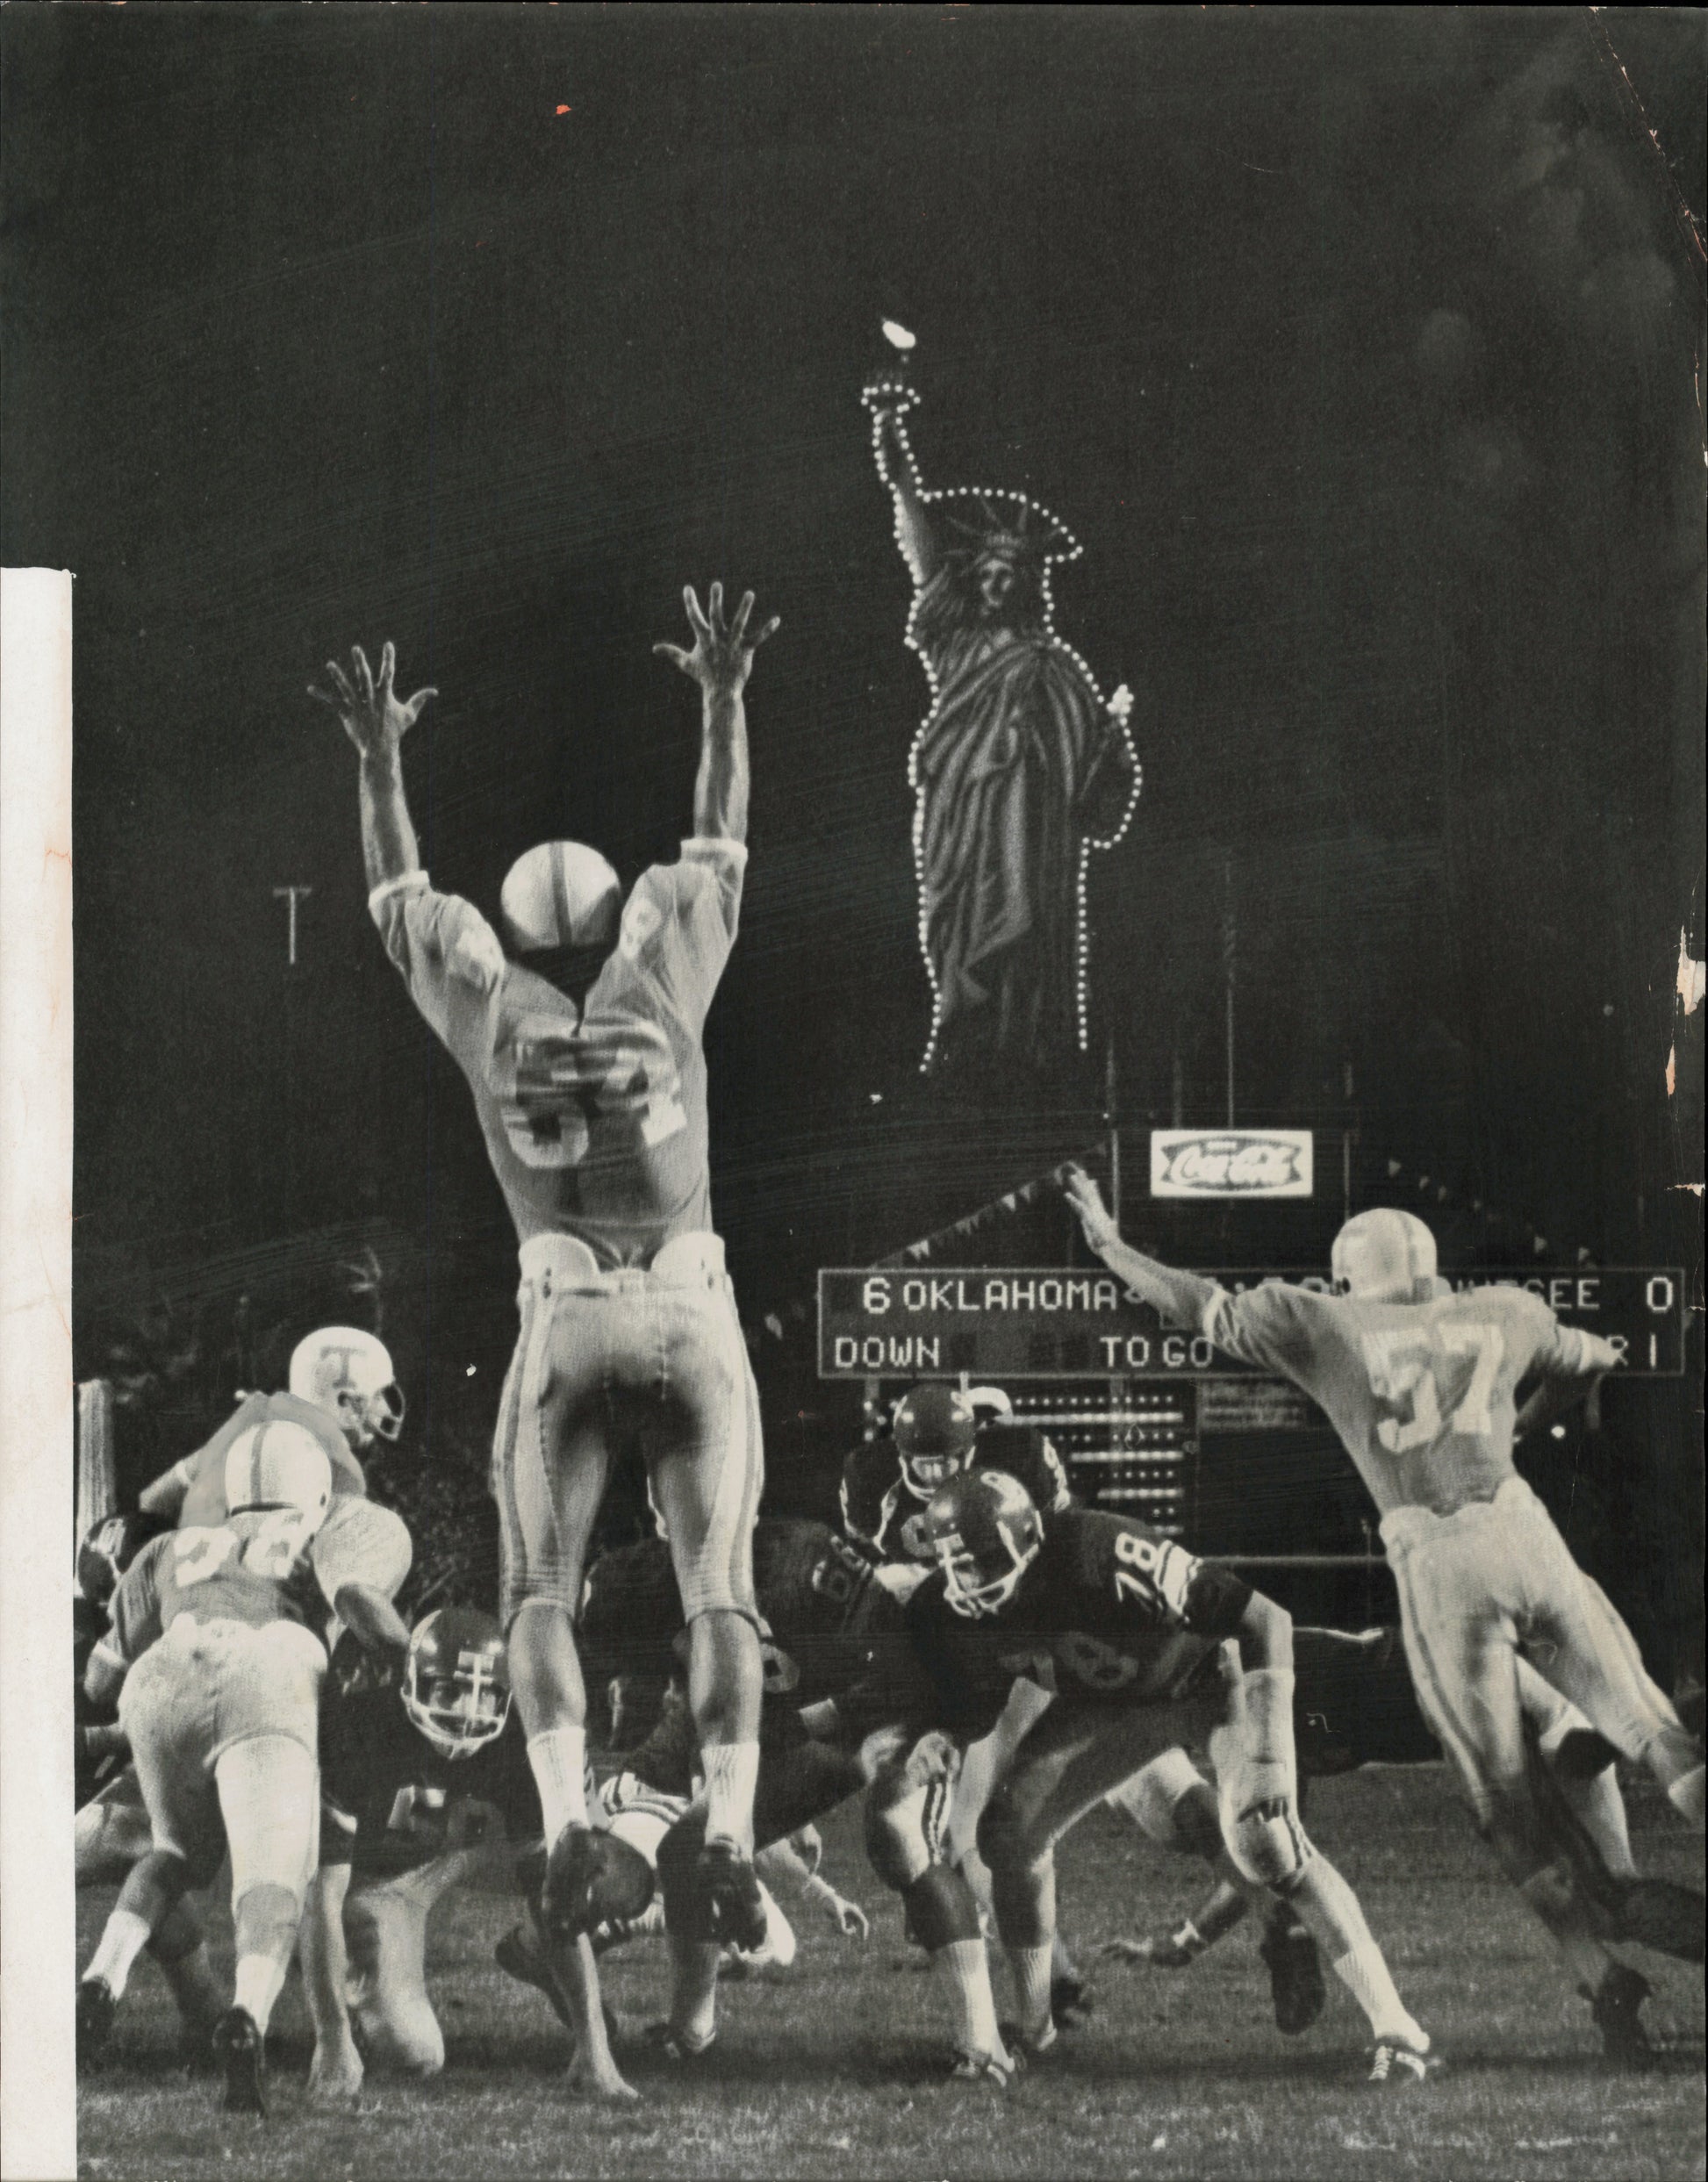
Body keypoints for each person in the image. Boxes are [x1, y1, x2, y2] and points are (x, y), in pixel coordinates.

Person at [319, 590, 777, 2098]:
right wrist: (720, 693)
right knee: (720, 1582)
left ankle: (572, 1806)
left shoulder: (493, 1006)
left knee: (539, 1586)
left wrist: (379, 753)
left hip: (565, 1308)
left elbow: (398, 890)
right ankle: (722, 1822)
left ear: (513, 926)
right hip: (693, 1305)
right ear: (629, 918)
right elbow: (719, 835)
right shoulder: (665, 977)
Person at [1064, 1168, 1707, 2060]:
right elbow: (1595, 1359)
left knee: (1506, 1812)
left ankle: (1596, 1972)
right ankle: (1610, 1956)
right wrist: (1515, 1421)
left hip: (1438, 1558)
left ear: (1342, 1276)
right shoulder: (1507, 1308)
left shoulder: (1322, 1317)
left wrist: (1105, 1239)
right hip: (1526, 1529)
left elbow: (1194, 1303)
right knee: (1654, 1729)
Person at [812, 1471, 1435, 2087]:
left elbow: (1264, 1618)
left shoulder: (1101, 1551)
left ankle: (1400, 2032)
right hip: (1114, 1706)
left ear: (1023, 1544)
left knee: (1264, 1839)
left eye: (977, 1563)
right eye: (955, 1566)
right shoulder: (950, 1612)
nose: (964, 1582)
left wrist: (1270, 1756)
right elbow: (971, 1703)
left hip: (1211, 1678)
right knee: (1009, 1834)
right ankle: (1035, 2030)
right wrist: (944, 1736)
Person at [1102, 1626, 1705, 2020]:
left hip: (1510, 1710)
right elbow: (1273, 1858)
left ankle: (1606, 1986)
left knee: (1604, 1897)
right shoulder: (1265, 1717)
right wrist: (1185, 1942)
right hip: (1503, 1718)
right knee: (1608, 1899)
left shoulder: (1272, 1696)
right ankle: (1607, 1988)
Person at [76, 1419, 414, 2116]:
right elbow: (361, 1608)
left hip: (164, 1672)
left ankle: (102, 1977)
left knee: (173, 1853)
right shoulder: (326, 1537)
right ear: (315, 1491)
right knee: (272, 1880)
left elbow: (102, 1679)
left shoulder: (172, 1545)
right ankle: (248, 2019)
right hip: (272, 1669)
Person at [863, 372, 1138, 1075]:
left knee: (1030, 939)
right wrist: (894, 448)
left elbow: (1100, 785)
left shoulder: (1055, 667)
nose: (994, 584)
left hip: (1033, 838)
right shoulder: (955, 645)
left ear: (1027, 587)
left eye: (1008, 576)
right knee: (959, 942)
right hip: (963, 826)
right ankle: (965, 1039)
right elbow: (918, 543)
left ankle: (1024, 1047)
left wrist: (1111, 740)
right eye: (984, 574)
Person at [302, 1606, 649, 2106]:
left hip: (464, 1848)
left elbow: (551, 1889)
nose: (468, 1711)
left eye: (486, 1693)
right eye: (450, 1690)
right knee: (414, 2054)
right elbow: (321, 1895)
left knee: (598, 1872)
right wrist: (330, 2037)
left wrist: (594, 2051)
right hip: (379, 1881)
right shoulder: (359, 1728)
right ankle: (347, 1993)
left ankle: (535, 1954)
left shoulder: (519, 1742)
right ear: (411, 1685)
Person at [138, 1325, 406, 1529]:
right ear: (344, 1400)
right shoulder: (341, 1470)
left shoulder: (256, 1412)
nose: (384, 1408)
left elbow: (152, 1500)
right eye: (377, 1394)